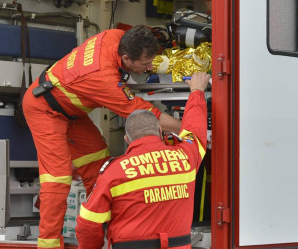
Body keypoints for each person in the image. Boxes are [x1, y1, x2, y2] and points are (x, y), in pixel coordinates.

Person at [23, 25, 182, 249]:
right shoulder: (103, 78)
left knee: (99, 165)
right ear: (126, 57)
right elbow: (149, 116)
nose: (149, 68)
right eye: (145, 64)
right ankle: (48, 244)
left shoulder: (116, 37)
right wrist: (189, 128)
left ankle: (101, 232)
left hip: (69, 111)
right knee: (57, 178)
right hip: (44, 109)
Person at [75, 72, 210, 249]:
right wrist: (197, 91)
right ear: (161, 132)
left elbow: (88, 224)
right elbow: (195, 130)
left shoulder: (113, 172)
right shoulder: (185, 156)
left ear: (127, 140)